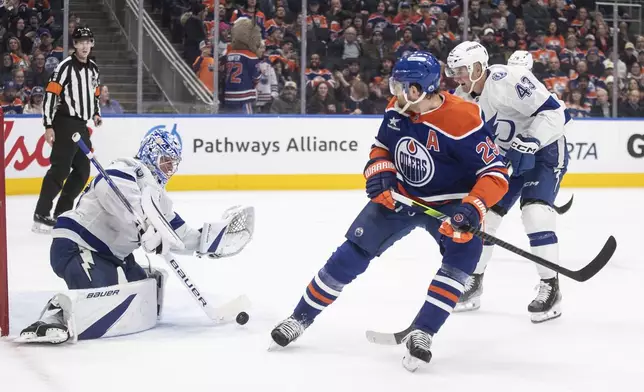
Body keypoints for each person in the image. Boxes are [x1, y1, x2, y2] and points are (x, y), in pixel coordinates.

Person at [269, 52, 509, 372]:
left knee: (464, 257)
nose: (395, 92)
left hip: (450, 203)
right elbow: (381, 146)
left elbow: (496, 174)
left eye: (402, 86)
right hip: (402, 196)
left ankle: (423, 331)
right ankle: (299, 318)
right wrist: (380, 171)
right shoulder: (398, 108)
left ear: (421, 89)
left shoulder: (465, 118)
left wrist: (472, 208)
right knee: (350, 252)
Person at [17, 130, 255, 344]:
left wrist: (209, 241)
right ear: (151, 155)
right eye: (165, 161)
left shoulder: (158, 196)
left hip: (111, 255)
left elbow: (177, 234)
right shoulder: (127, 168)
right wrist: (143, 227)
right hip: (78, 245)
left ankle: (108, 282)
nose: (169, 169)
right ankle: (56, 312)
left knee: (146, 290)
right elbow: (108, 189)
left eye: (173, 164)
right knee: (99, 303)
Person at [446, 41, 571, 323]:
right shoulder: (461, 99)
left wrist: (531, 141)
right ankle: (474, 280)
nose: (458, 76)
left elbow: (557, 113)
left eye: (463, 70)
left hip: (544, 151)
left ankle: (550, 286)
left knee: (535, 214)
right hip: (504, 159)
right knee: (484, 217)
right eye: (454, 71)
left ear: (479, 67)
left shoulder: (507, 79)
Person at [33, 25, 102, 233]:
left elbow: (95, 93)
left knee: (82, 170)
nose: (84, 46)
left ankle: (62, 213)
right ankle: (41, 214)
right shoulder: (65, 67)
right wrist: (48, 125)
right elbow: (51, 95)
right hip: (64, 123)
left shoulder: (93, 69)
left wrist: (96, 113)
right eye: (80, 42)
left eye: (88, 41)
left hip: (81, 124)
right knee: (60, 169)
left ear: (92, 44)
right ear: (74, 44)